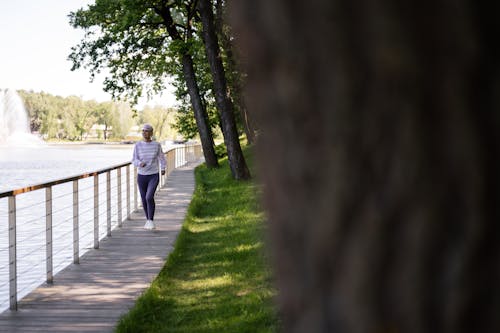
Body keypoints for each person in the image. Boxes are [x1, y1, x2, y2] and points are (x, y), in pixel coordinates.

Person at [132, 123, 166, 229]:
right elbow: (134, 159)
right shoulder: (138, 145)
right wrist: (139, 163)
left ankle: (151, 220)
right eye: (143, 131)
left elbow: (161, 157)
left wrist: (163, 168)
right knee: (143, 198)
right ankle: (148, 220)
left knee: (149, 197)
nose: (145, 132)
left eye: (147, 131)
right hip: (141, 175)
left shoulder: (156, 145)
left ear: (151, 133)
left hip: (153, 175)